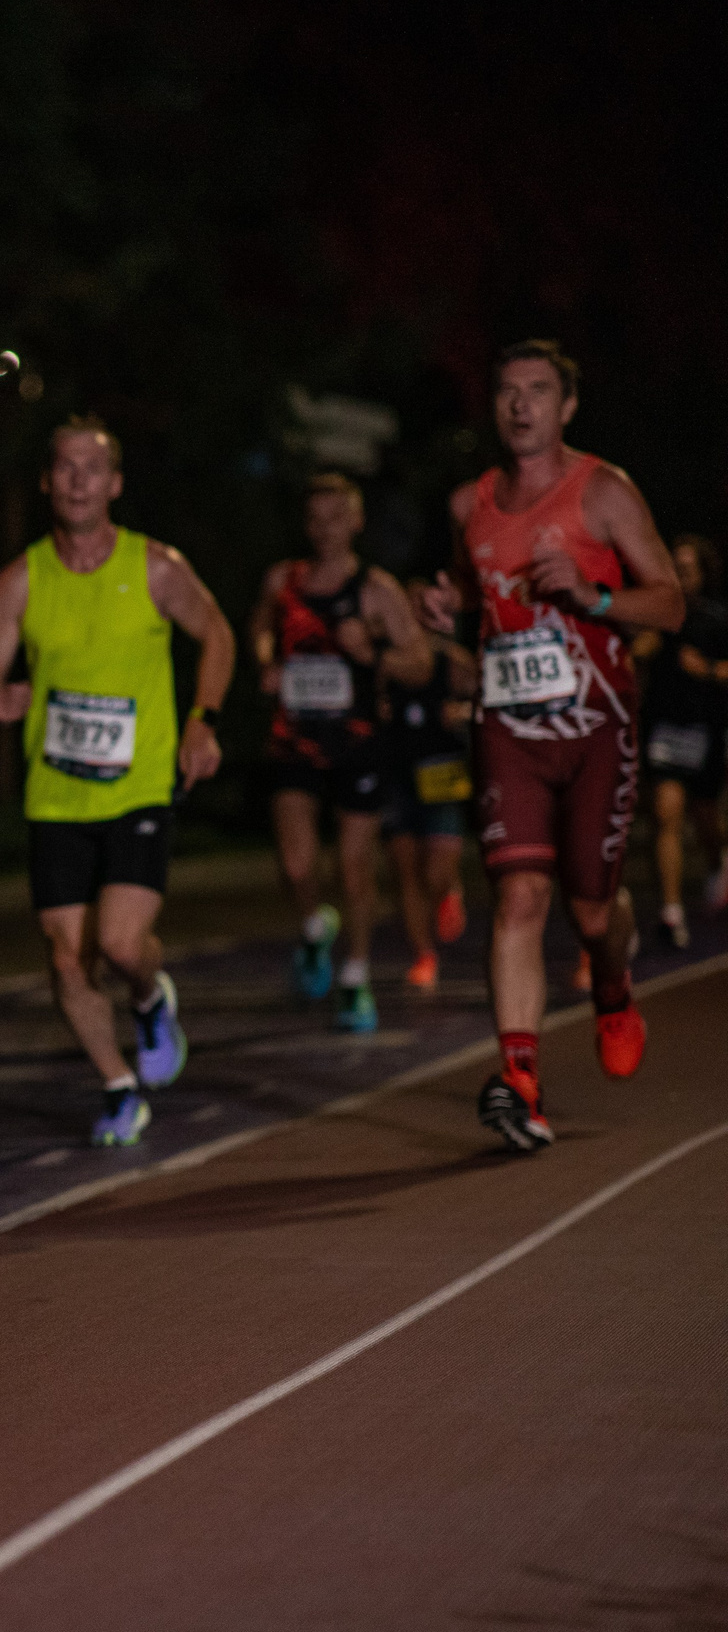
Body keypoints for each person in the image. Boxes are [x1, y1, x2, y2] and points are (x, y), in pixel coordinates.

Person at [422, 340, 682, 1154]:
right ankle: (520, 1080)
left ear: (567, 407)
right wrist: (448, 605)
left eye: (538, 391)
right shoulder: (470, 502)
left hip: (598, 727)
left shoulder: (602, 491)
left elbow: (670, 602)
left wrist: (594, 592)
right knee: (519, 900)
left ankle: (613, 986)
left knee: (592, 909)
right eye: (507, 391)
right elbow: (476, 586)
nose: (521, 405)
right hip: (507, 729)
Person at [0, 416, 237, 1147]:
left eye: (94, 467)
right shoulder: (21, 580)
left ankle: (150, 997)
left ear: (115, 484)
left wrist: (203, 720)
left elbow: (218, 631)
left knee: (120, 946)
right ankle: (119, 1084)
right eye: (66, 466)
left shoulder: (154, 566)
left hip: (138, 786)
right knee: (64, 957)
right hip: (56, 797)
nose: (79, 478)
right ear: (49, 481)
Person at [249, 473, 434, 1030]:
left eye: (337, 517)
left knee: (354, 871)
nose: (325, 529)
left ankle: (355, 976)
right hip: (295, 740)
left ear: (356, 522)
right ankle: (312, 931)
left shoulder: (377, 590)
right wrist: (265, 663)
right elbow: (260, 626)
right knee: (296, 863)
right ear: (305, 525)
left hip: (357, 744)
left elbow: (420, 664)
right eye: (315, 518)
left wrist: (372, 652)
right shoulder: (284, 580)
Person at [383, 578, 480, 990]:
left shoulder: (452, 661)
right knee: (407, 873)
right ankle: (424, 955)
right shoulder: (384, 660)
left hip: (441, 773)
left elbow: (490, 698)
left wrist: (463, 713)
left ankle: (449, 889)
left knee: (435, 873)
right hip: (395, 774)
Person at [633, 533, 728, 947]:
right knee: (665, 813)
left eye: (688, 568)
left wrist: (706, 670)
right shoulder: (662, 616)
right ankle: (672, 913)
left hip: (704, 728)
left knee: (706, 817)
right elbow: (636, 654)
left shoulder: (717, 618)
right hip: (665, 728)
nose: (681, 575)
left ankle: (718, 861)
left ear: (704, 573)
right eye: (676, 567)